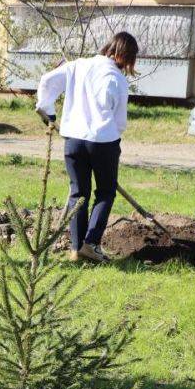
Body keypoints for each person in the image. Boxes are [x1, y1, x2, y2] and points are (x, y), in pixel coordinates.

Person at [36, 32, 137, 263]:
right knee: (105, 192)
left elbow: (46, 81)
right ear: (123, 55)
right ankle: (90, 244)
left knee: (78, 193)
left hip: (73, 140)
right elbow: (120, 122)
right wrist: (111, 136)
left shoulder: (76, 66)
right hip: (104, 142)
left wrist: (47, 110)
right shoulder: (117, 79)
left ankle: (75, 248)